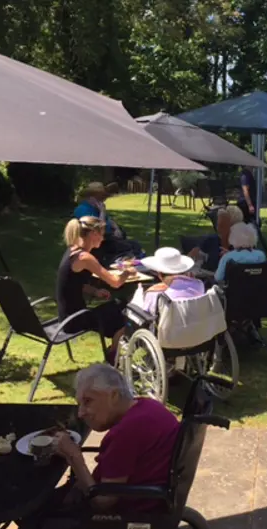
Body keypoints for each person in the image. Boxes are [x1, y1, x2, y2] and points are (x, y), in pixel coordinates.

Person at [55, 364, 180, 513]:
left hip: (131, 512)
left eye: (88, 401)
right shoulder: (149, 405)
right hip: (156, 496)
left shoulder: (126, 432)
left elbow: (103, 502)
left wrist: (73, 456)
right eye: (79, 404)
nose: (80, 413)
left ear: (113, 395)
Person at [57, 217, 130, 364]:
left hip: (66, 316)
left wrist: (95, 292)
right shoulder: (85, 257)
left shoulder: (72, 251)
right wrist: (128, 271)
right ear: (93, 234)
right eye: (101, 234)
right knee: (127, 310)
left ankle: (113, 350)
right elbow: (115, 283)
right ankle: (113, 353)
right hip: (76, 320)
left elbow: (74, 283)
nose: (103, 238)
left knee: (118, 307)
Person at [73, 182, 144, 262]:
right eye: (100, 197)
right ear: (91, 197)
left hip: (108, 237)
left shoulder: (95, 207)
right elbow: (97, 230)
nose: (103, 199)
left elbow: (108, 219)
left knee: (134, 244)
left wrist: (116, 228)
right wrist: (102, 212)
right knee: (130, 247)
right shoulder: (84, 209)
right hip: (100, 242)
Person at [138, 247, 204, 316]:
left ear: (159, 274)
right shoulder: (199, 285)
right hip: (196, 321)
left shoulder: (155, 294)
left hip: (166, 322)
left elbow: (148, 312)